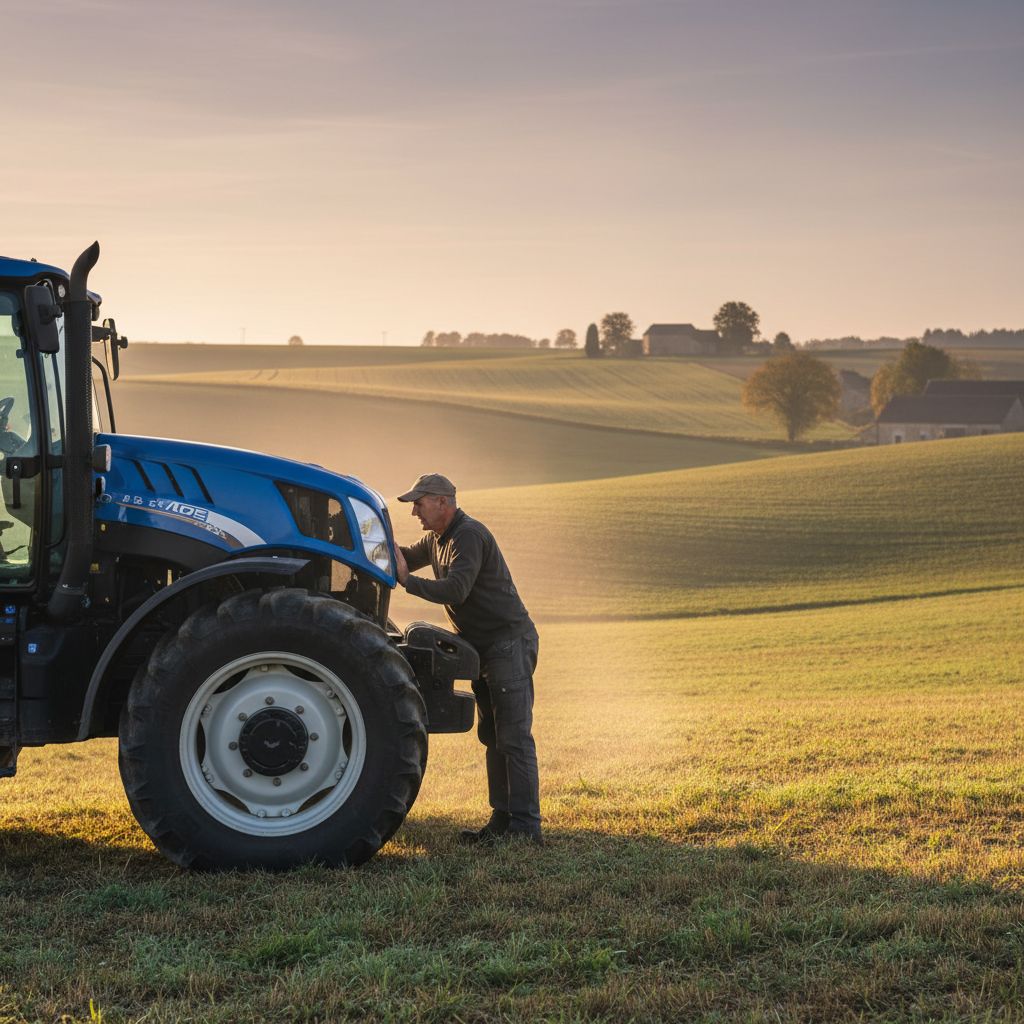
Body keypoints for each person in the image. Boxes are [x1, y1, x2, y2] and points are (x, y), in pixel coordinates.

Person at [393, 473, 542, 846]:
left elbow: (456, 589)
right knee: (492, 735)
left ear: (443, 502)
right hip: (485, 648)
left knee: (513, 738)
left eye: (420, 502)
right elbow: (406, 558)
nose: (415, 511)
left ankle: (526, 829)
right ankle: (502, 820)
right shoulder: (436, 538)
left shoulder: (468, 535)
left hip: (508, 644)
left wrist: (406, 581)